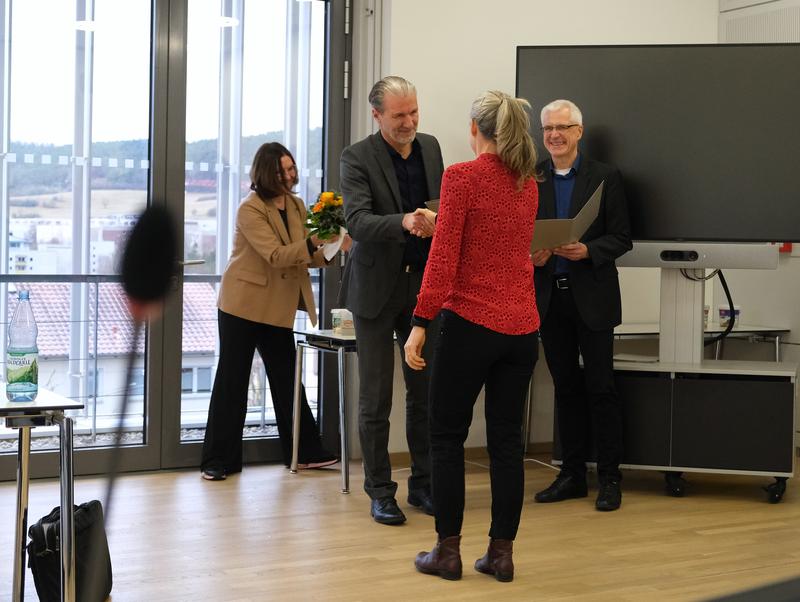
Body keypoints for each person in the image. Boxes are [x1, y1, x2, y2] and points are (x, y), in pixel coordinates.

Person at [405, 90, 540, 582]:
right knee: (507, 443)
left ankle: (447, 552)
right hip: (522, 329)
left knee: (446, 437)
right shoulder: (528, 183)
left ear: (476, 130)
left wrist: (419, 324)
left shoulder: (461, 177)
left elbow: (444, 263)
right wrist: (447, 225)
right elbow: (498, 241)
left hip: (471, 326)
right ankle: (501, 555)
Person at [201, 142, 350, 481]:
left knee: (286, 380)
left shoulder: (297, 206)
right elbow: (277, 255)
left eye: (292, 168)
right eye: (283, 170)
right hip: (242, 305)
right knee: (232, 381)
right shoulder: (250, 209)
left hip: (276, 306)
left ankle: (306, 453)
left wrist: (332, 243)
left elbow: (307, 255)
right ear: (267, 173)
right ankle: (218, 461)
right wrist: (314, 243)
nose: (290, 175)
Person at [339, 75, 443, 525]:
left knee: (426, 393)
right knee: (376, 397)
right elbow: (358, 222)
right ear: (377, 114)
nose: (410, 122)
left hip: (424, 286)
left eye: (414, 111)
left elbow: (445, 204)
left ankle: (424, 485)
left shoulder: (432, 147)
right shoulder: (356, 156)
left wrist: (439, 219)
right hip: (376, 289)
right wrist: (405, 222)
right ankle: (381, 491)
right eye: (399, 115)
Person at [531, 99, 632, 511]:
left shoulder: (606, 177)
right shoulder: (530, 177)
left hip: (592, 297)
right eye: (548, 129)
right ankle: (571, 475)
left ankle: (609, 479)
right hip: (548, 299)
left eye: (563, 127)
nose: (555, 135)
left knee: (600, 389)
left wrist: (587, 249)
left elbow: (622, 238)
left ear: (579, 131)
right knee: (565, 389)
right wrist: (532, 255)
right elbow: (518, 236)